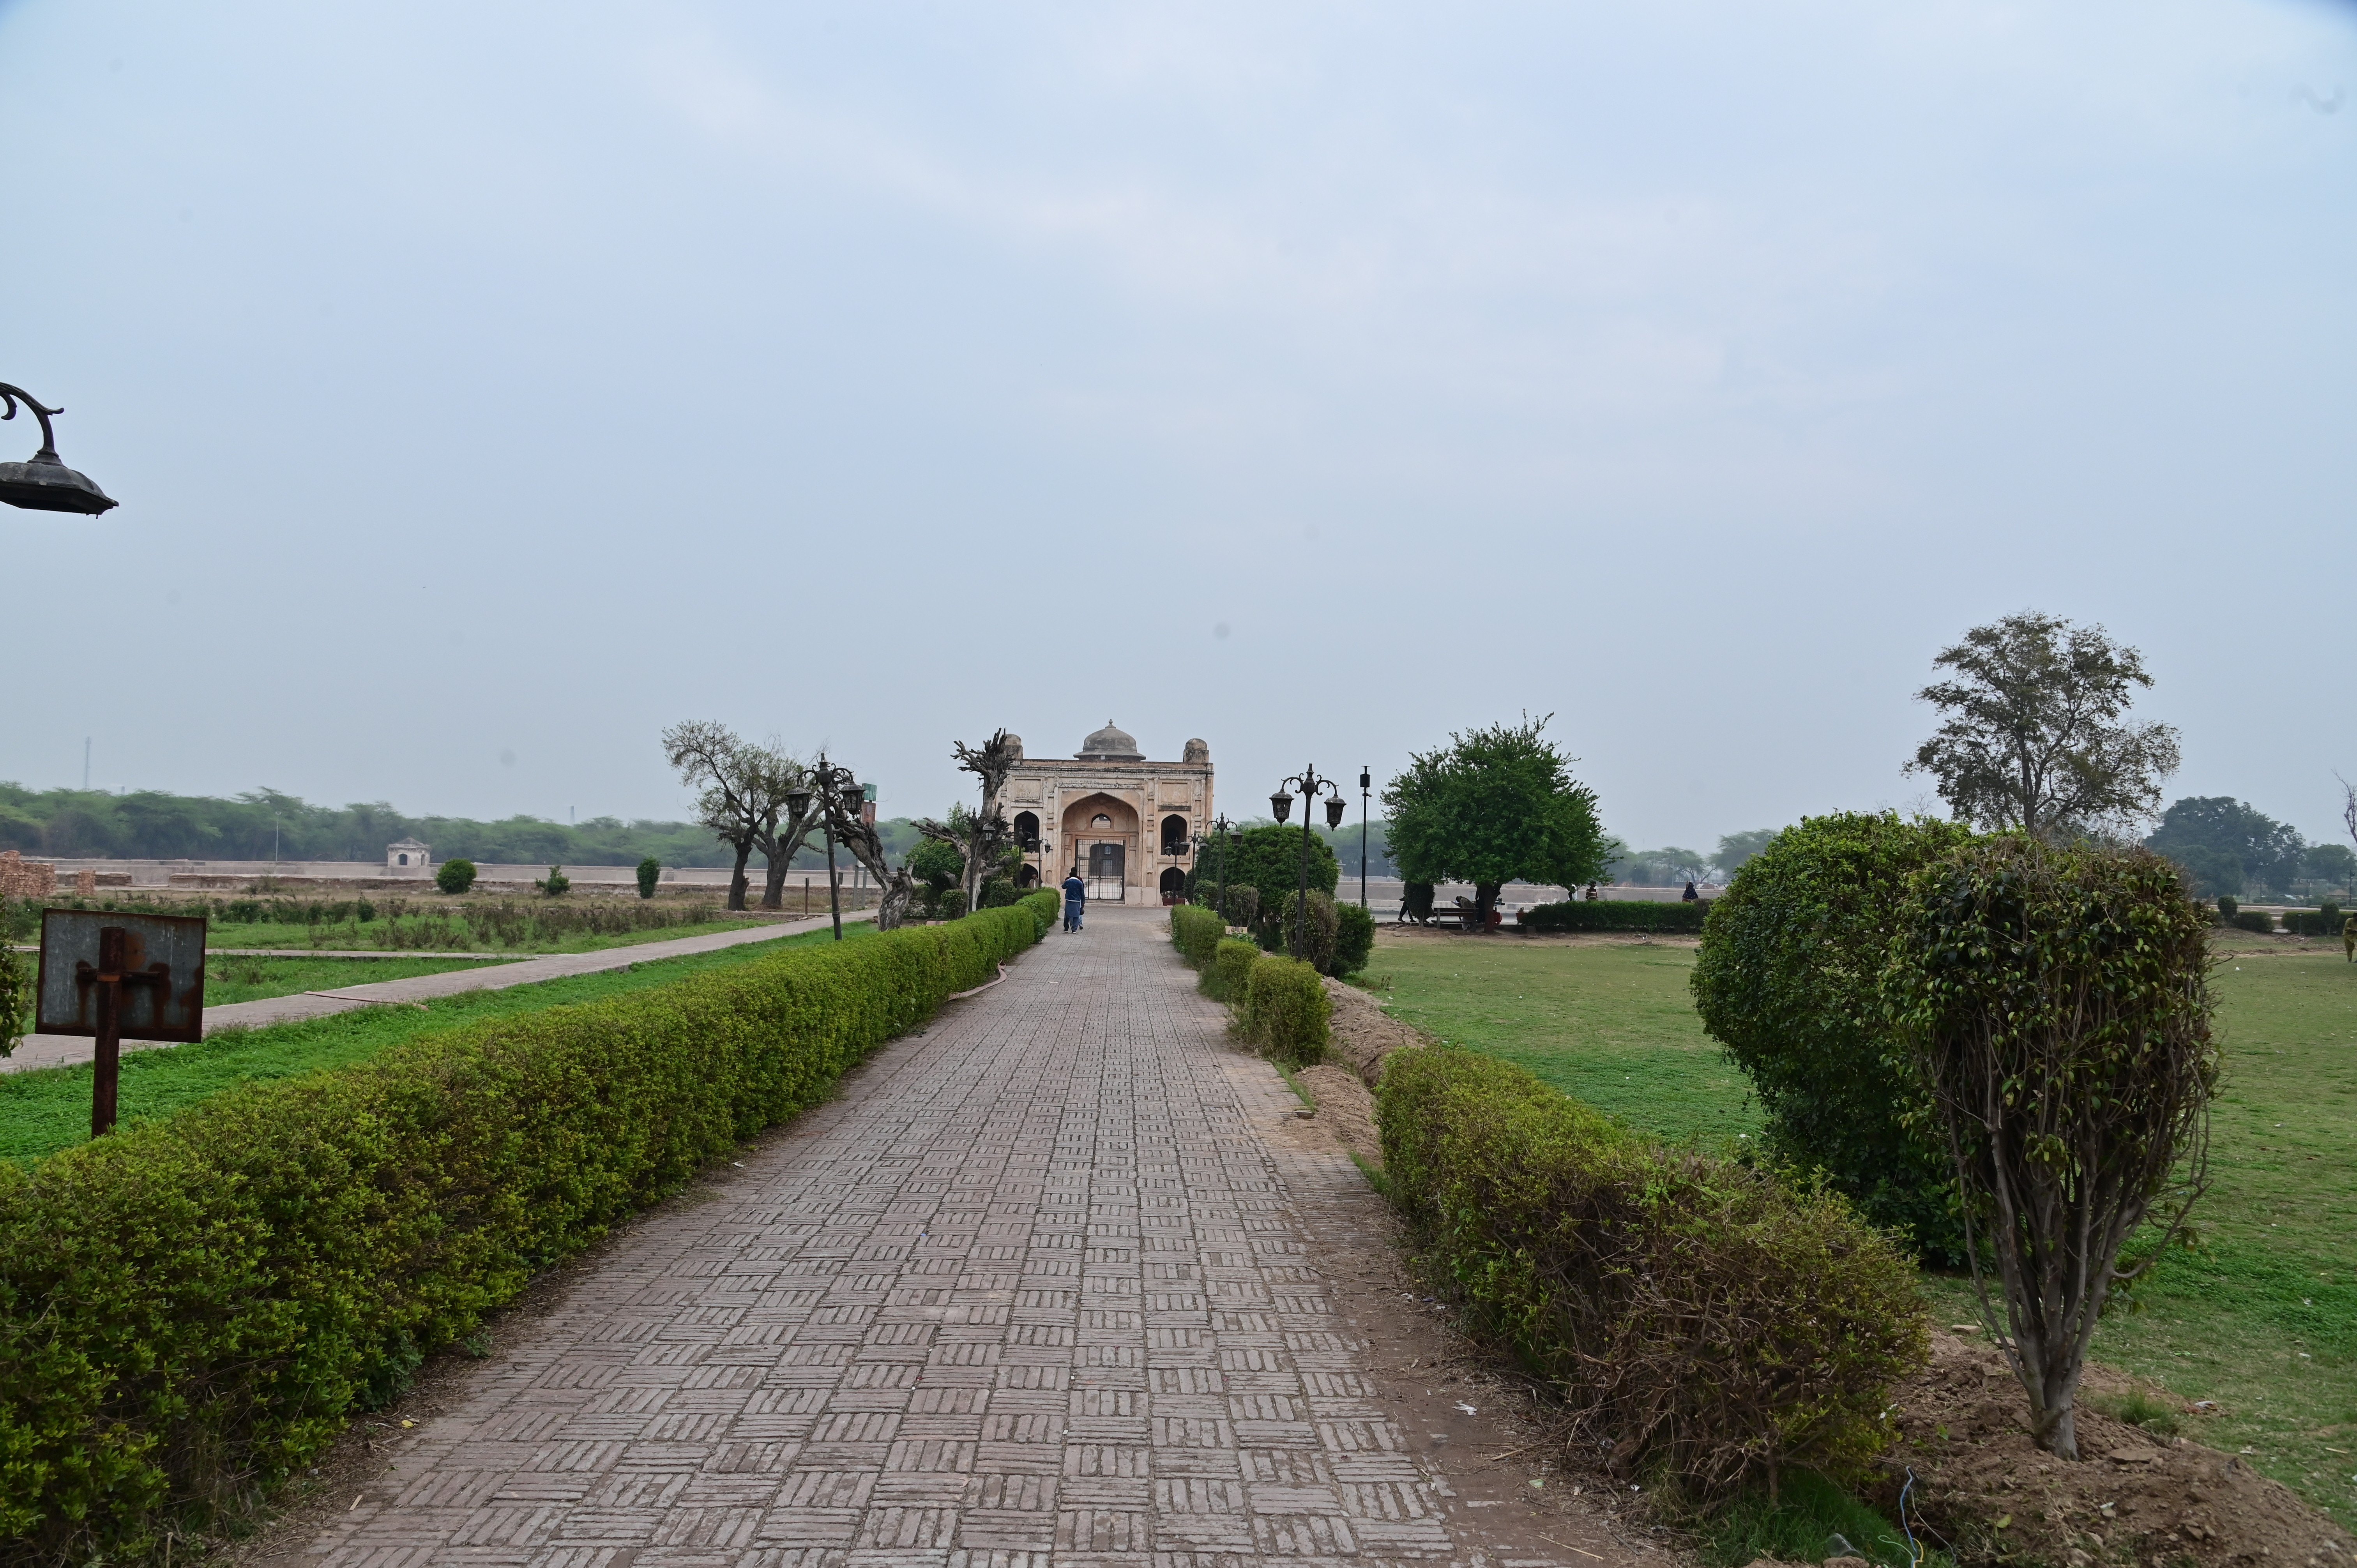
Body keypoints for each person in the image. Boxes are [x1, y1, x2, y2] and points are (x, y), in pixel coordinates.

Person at [1062, 867, 1087, 933]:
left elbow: (1063, 887)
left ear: (1070, 876)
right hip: (1077, 901)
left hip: (1069, 900)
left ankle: (1066, 928)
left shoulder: (1068, 881)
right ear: (1076, 876)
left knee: (1067, 914)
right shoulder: (1080, 882)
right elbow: (1082, 893)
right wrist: (1083, 902)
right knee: (1076, 914)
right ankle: (1074, 929)